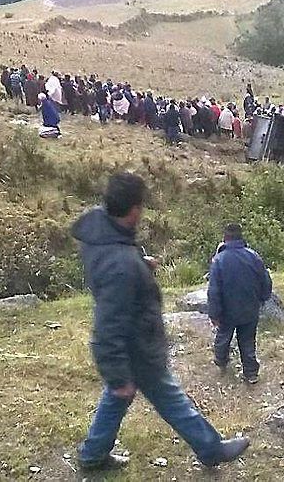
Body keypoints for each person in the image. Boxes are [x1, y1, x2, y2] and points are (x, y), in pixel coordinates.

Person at [73, 174, 250, 472]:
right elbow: (107, 327)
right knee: (171, 400)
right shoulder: (121, 266)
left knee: (117, 400)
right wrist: (117, 375)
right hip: (137, 344)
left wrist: (140, 264)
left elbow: (116, 268)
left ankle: (92, 456)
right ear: (133, 210)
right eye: (140, 206)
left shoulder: (101, 228)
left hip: (132, 340)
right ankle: (211, 449)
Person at [207, 223, 272, 384]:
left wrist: (214, 313)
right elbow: (265, 280)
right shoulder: (253, 256)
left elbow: (214, 290)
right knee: (248, 341)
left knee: (223, 337)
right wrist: (263, 298)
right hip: (250, 308)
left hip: (227, 311)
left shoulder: (219, 260)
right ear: (241, 237)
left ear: (225, 239)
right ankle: (251, 374)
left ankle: (221, 361)